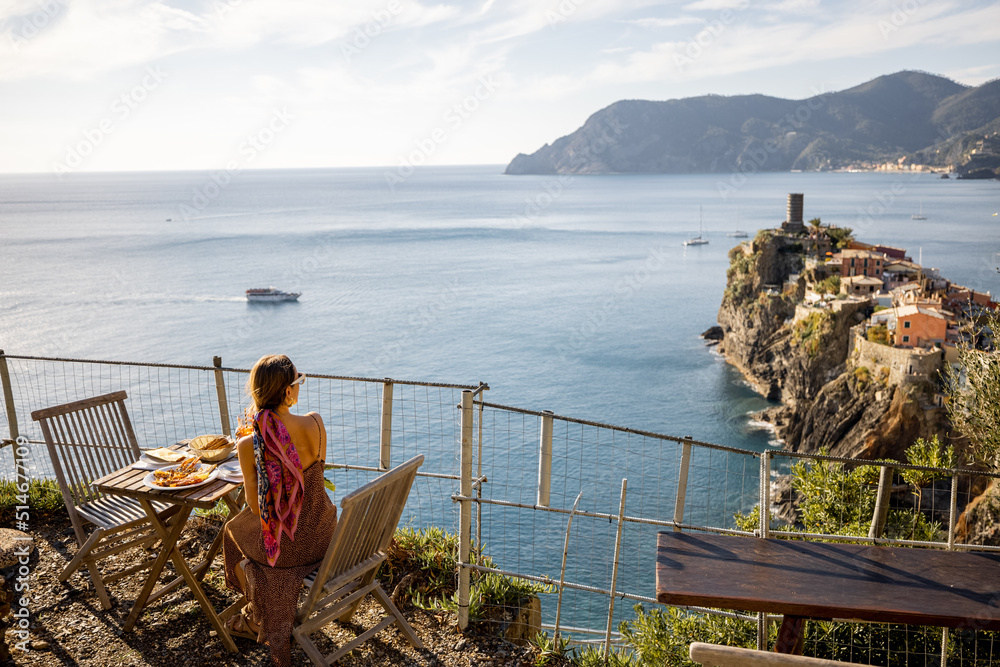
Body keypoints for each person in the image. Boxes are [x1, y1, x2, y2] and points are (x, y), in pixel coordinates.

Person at [222, 354, 338, 666]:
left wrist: (245, 444)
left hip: (287, 550)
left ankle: (259, 611)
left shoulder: (249, 444)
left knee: (231, 530)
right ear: (287, 393)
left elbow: (254, 506)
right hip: (324, 534)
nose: (300, 387)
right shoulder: (315, 423)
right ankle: (258, 610)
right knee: (238, 529)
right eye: (298, 381)